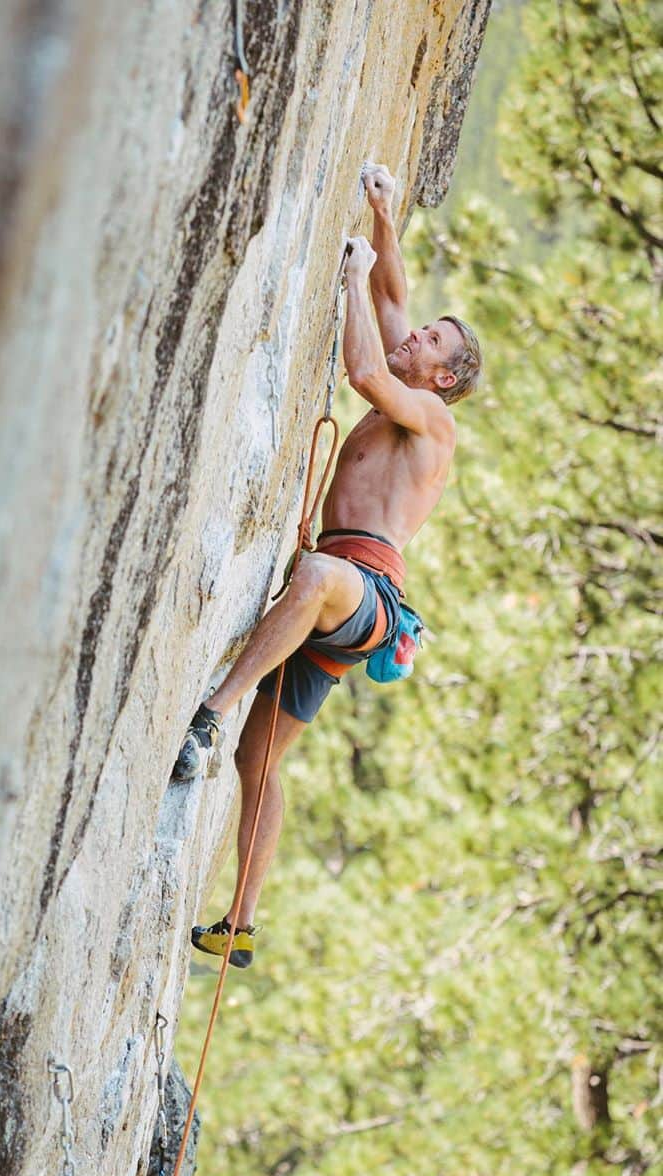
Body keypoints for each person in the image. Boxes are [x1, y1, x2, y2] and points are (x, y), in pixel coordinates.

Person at [173, 164, 482, 969]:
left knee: (311, 578)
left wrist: (346, 274)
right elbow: (391, 299)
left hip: (364, 592)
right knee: (261, 760)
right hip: (344, 601)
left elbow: (366, 369)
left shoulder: (432, 421)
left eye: (432, 343)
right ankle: (239, 921)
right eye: (426, 331)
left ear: (444, 377)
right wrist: (383, 218)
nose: (415, 334)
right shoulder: (413, 391)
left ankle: (210, 711)